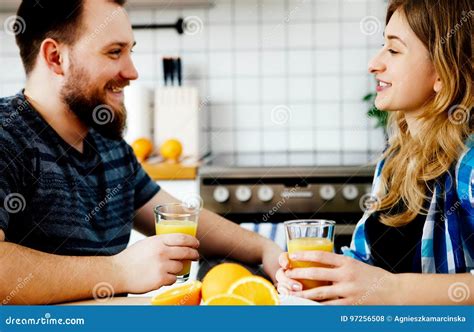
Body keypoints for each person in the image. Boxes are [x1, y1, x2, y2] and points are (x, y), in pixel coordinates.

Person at [0, 0, 282, 304]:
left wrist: (265, 248)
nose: (132, 72)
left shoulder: (109, 146)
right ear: (56, 57)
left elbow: (181, 218)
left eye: (129, 51)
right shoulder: (7, 134)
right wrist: (118, 270)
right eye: (114, 52)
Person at [277, 0, 473, 305]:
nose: (373, 63)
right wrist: (323, 279)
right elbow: (364, 263)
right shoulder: (394, 160)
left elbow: (382, 287)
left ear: (442, 71)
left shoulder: (468, 164)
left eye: (394, 50)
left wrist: (392, 290)